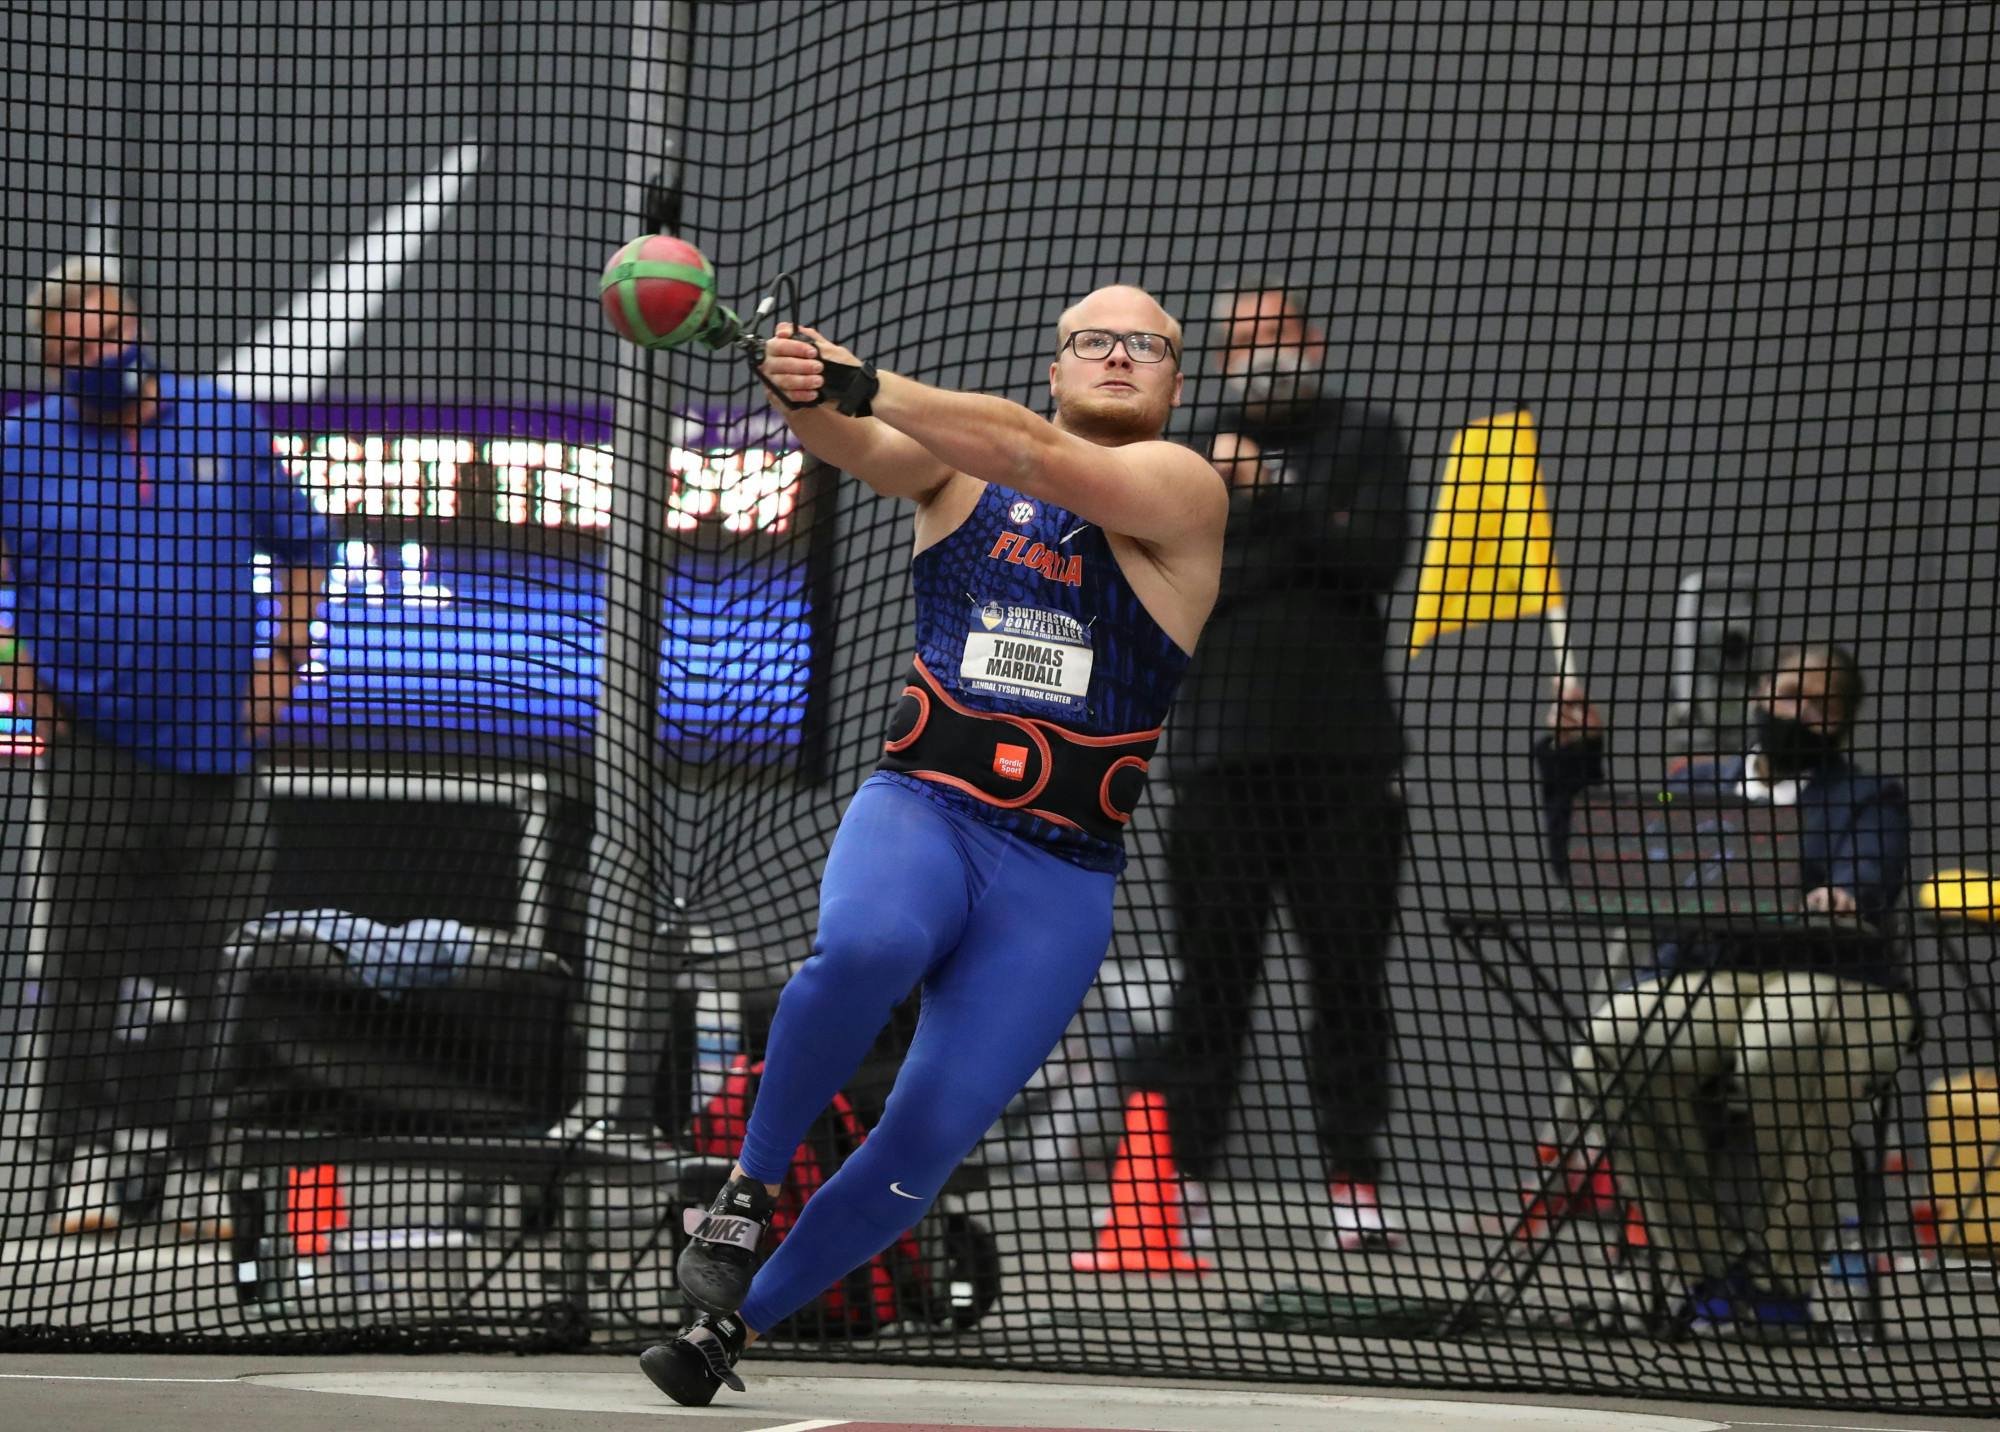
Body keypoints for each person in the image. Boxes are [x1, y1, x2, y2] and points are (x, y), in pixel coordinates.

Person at [640, 286, 1227, 1406]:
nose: (1115, 355)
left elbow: (1038, 457)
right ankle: (745, 1194)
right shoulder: (960, 475)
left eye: (1142, 345)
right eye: (1090, 341)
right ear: (1053, 366)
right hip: (925, 812)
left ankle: (731, 1328)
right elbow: (843, 438)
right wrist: (798, 383)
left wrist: (861, 378)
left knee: (924, 1141)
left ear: (1172, 384)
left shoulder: (1178, 488)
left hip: (1055, 877)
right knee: (863, 948)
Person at [0, 256, 331, 1236]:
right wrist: (14, 665)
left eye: (107, 334)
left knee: (226, 966)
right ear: (52, 363)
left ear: (138, 326)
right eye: (74, 349)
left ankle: (202, 1171)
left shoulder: (221, 423)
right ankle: (87, 1166)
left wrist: (285, 655)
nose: (98, 356)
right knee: (80, 969)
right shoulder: (20, 447)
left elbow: (306, 544)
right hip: (91, 753)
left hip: (220, 748)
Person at [1143, 285, 1411, 1250]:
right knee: (1210, 981)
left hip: (1345, 766)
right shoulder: (1186, 454)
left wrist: (1275, 495)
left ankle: (1354, 1185)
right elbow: (1188, 582)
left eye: (1274, 336)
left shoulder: (1364, 439)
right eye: (1239, 342)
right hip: (1218, 767)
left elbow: (1373, 556)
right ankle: (1182, 1187)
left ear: (1313, 340)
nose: (1258, 354)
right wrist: (1299, 536)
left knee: (1349, 979)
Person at [1539, 643, 1915, 1330]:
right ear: (1758, 695)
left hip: (1835, 976)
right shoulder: (1695, 784)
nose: (1796, 711)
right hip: (1711, 970)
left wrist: (1838, 893)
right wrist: (1576, 762)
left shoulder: (1869, 797)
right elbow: (1596, 864)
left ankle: (1779, 1280)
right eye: (1786, 692)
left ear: (1840, 724)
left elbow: (1869, 873)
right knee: (1614, 1042)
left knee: (1785, 1039)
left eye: (1818, 704)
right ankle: (1705, 1273)